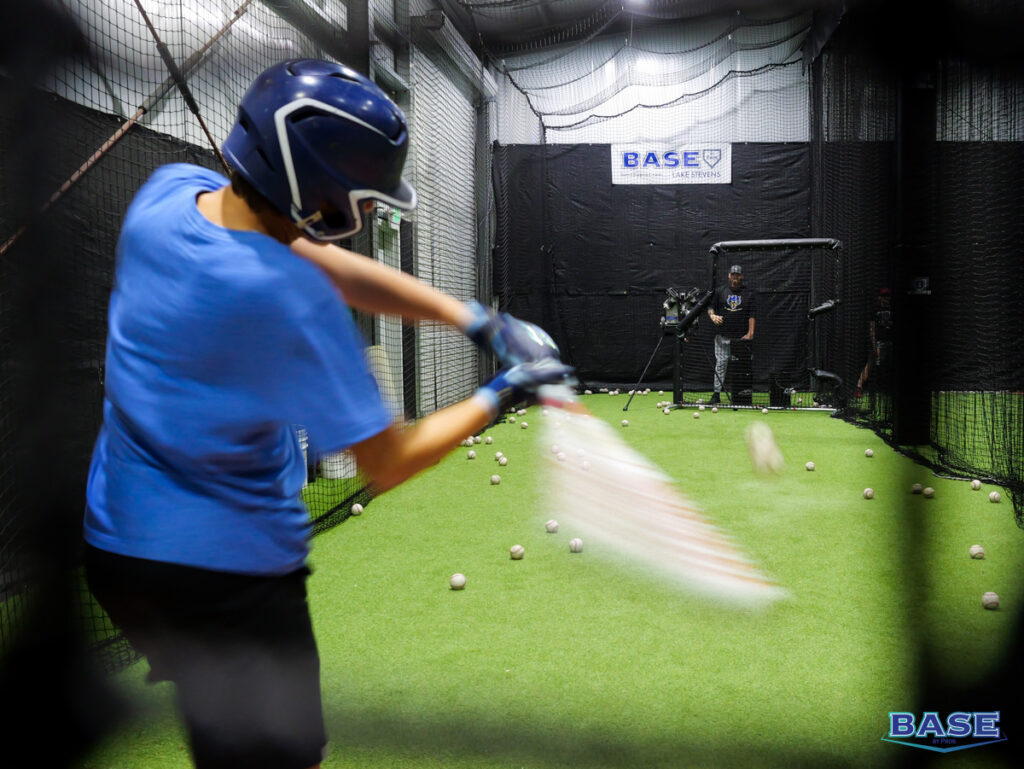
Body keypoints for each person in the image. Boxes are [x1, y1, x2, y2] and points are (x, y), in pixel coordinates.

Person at [82, 58, 572, 769]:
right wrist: (501, 393)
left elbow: (309, 256)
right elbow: (388, 460)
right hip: (228, 582)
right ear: (316, 189)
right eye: (364, 195)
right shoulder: (289, 302)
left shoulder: (166, 194)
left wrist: (473, 318)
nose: (369, 211)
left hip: (119, 556)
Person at [706, 264, 756, 404]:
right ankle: (716, 394)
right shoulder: (720, 291)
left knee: (742, 366)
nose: (735, 277)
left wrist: (751, 332)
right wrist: (712, 316)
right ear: (729, 276)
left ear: (741, 276)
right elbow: (710, 307)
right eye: (732, 275)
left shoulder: (748, 293)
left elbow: (752, 314)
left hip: (741, 338)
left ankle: (742, 396)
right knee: (721, 364)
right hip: (723, 336)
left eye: (737, 275)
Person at [854, 287, 893, 398]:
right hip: (879, 342)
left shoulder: (893, 308)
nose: (886, 299)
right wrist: (875, 344)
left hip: (891, 341)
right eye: (884, 296)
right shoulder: (875, 310)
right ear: (879, 297)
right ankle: (859, 386)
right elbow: (872, 328)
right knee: (870, 364)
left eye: (888, 296)